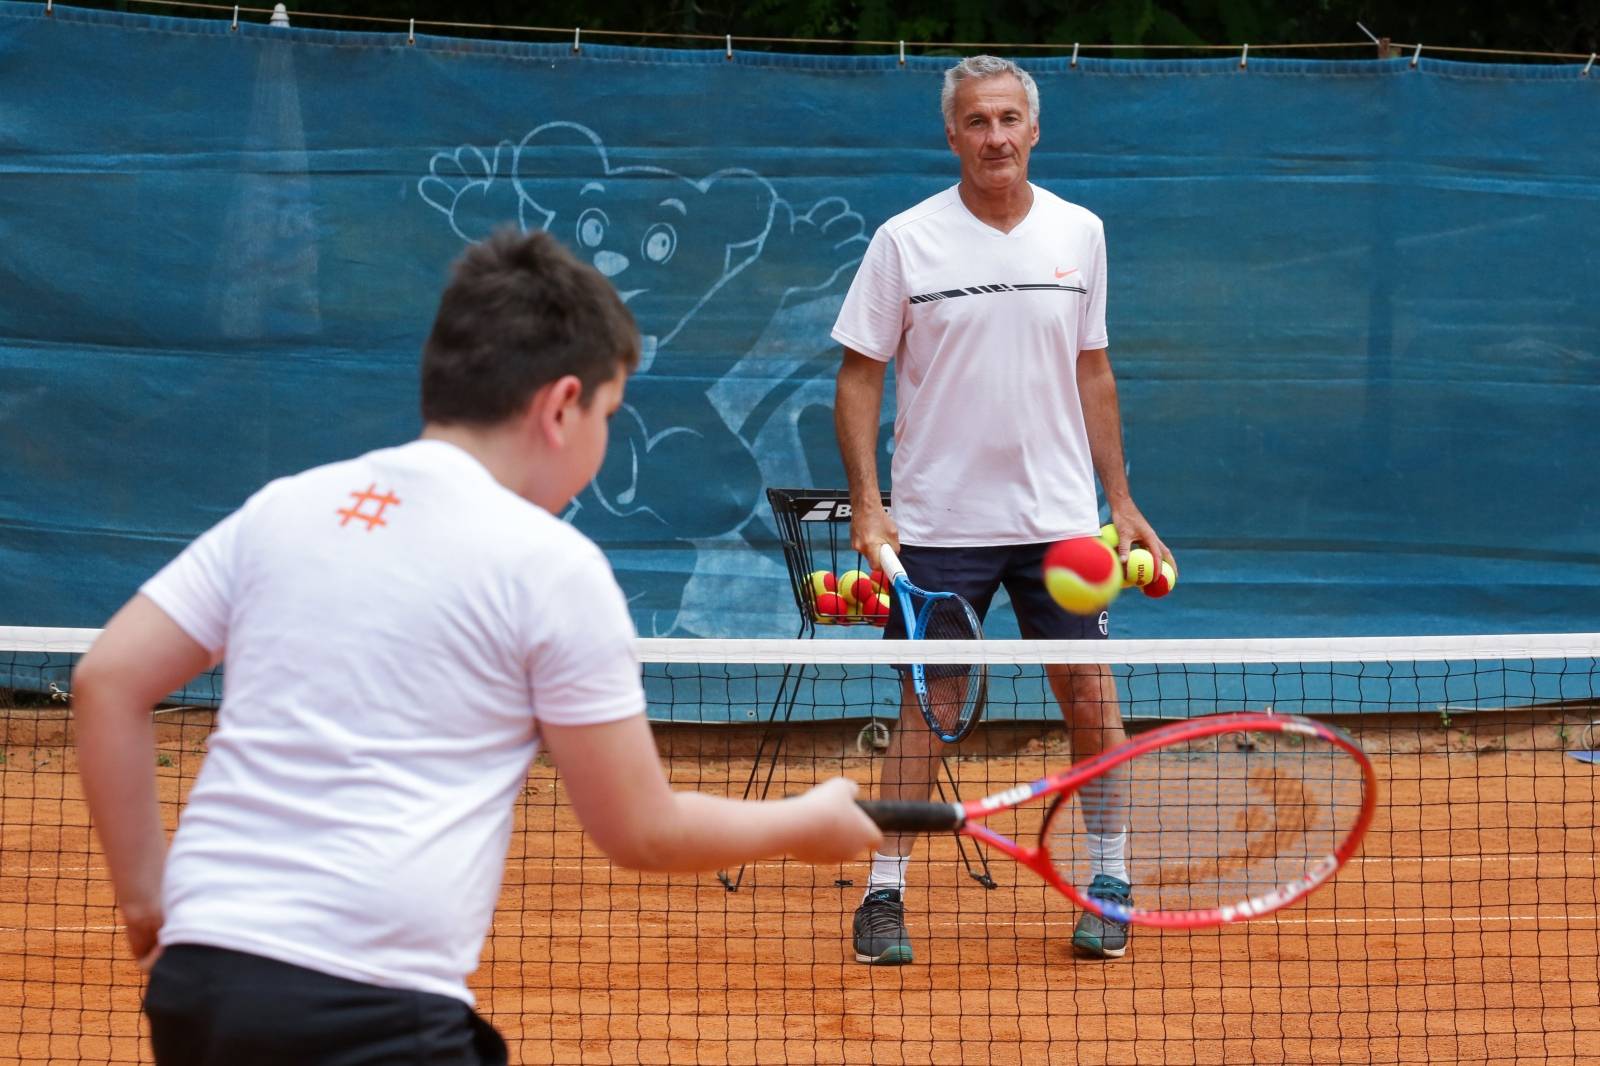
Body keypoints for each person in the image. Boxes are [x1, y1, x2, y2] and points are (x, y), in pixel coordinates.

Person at [72, 230, 883, 1065]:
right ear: (561, 405)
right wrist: (801, 823)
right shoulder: (553, 567)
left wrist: (146, 902)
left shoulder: (286, 506)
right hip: (370, 1013)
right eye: (608, 414)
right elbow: (642, 832)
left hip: (199, 986)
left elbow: (108, 680)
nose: (605, 438)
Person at [831, 55, 1173, 964]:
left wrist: (1122, 501)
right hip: (941, 523)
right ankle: (883, 896)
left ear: (1034, 130)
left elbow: (1091, 369)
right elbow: (859, 377)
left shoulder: (1081, 233)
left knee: (1089, 693)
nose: (995, 137)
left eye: (1009, 119)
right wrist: (872, 508)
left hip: (1060, 523)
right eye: (976, 121)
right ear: (952, 134)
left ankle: (1109, 882)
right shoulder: (906, 241)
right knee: (928, 708)